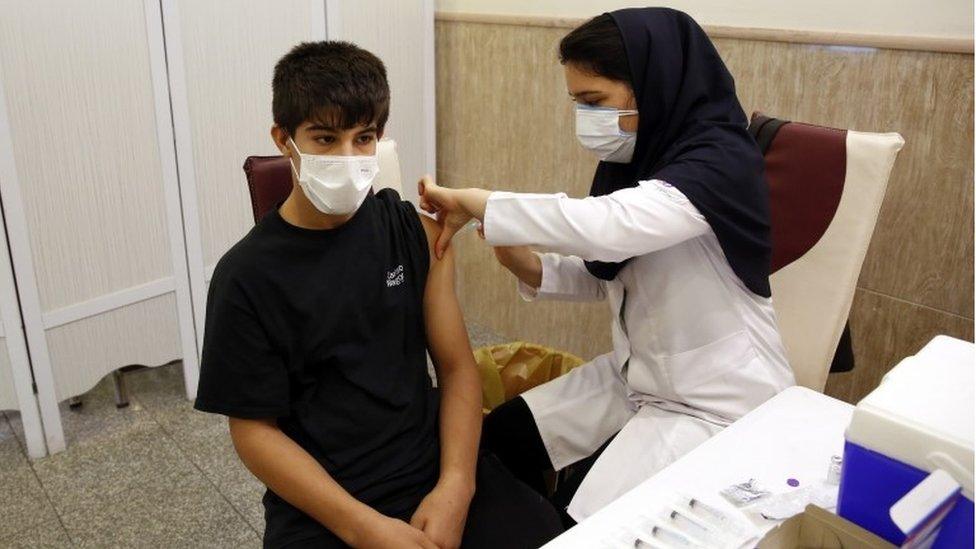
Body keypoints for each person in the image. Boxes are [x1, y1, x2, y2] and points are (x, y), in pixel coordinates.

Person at [418, 8, 796, 525]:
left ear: (651, 85)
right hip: (635, 376)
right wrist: (532, 268)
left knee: (592, 530)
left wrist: (481, 202)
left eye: (595, 102)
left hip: (713, 403)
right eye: (578, 103)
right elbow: (616, 273)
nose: (586, 119)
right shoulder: (641, 160)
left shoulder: (720, 161)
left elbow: (609, 229)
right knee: (502, 438)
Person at [193, 41, 562, 548]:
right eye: (324, 139)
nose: (347, 157)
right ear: (284, 140)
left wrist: (456, 485)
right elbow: (254, 432)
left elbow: (456, 368)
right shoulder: (245, 277)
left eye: (362, 138)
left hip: (430, 463)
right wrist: (361, 527)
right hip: (325, 501)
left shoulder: (412, 232)